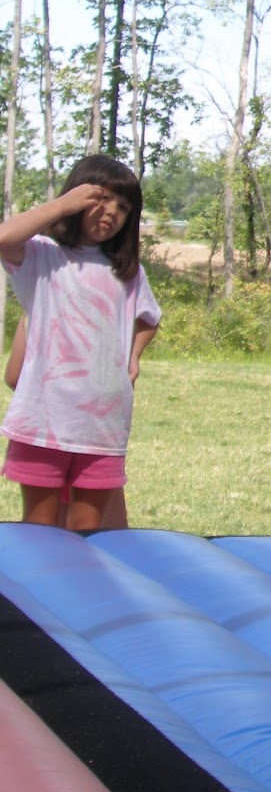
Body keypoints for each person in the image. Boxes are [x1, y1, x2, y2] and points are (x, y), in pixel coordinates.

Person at [0, 155, 161, 530]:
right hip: (44, 419)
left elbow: (149, 317)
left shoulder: (128, 272)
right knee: (40, 532)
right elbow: (4, 237)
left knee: (87, 532)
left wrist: (133, 355)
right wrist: (62, 205)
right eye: (100, 199)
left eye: (122, 207)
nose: (110, 213)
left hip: (102, 425)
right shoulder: (43, 254)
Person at [5, 318, 130, 528]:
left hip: (46, 433)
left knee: (42, 530)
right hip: (96, 434)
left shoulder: (37, 310)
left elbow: (13, 376)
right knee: (99, 531)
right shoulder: (108, 311)